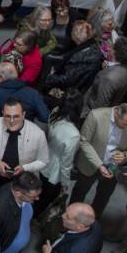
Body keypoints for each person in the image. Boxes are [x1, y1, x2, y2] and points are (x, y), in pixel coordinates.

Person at [70, 103, 127, 212]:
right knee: (79, 192)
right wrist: (99, 165)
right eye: (125, 124)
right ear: (117, 114)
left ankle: (94, 219)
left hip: (114, 168)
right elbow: (84, 141)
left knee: (103, 196)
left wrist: (125, 155)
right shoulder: (96, 116)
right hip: (90, 164)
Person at [0, 99, 49, 190]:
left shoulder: (38, 134)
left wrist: (25, 168)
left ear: (23, 115)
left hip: (25, 180)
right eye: (8, 116)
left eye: (16, 116)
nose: (12, 121)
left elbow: (43, 161)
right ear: (2, 114)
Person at [36, 90, 84, 218]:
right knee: (45, 200)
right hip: (55, 172)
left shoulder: (55, 112)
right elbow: (66, 164)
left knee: (38, 193)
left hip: (45, 159)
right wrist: (65, 183)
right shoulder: (73, 134)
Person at [26, 202, 103, 253]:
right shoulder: (94, 225)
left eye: (68, 217)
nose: (62, 216)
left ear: (80, 226)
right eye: (65, 211)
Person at [45, 20, 104, 96]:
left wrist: (49, 77)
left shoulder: (81, 57)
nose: (71, 33)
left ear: (77, 35)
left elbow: (68, 79)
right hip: (84, 88)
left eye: (72, 31)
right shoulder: (94, 47)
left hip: (71, 93)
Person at [84, 36, 127, 116]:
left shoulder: (107, 78)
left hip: (91, 112)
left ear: (114, 52)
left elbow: (99, 105)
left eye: (111, 48)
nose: (109, 49)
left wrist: (106, 71)